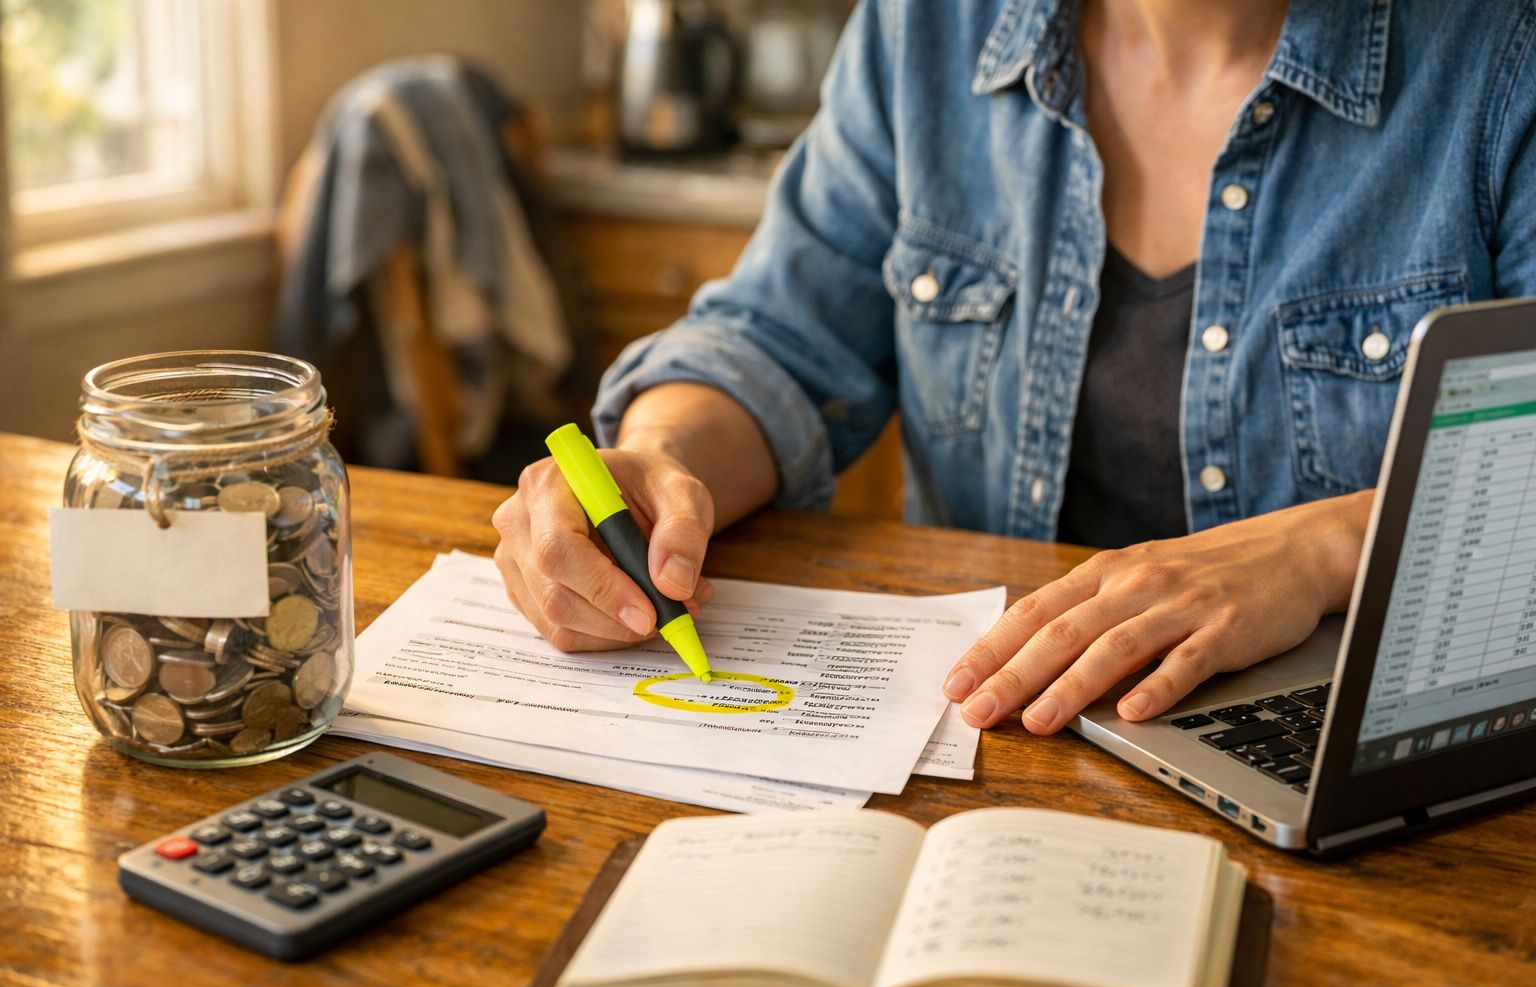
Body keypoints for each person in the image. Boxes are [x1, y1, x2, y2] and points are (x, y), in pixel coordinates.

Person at [494, 0, 1536, 736]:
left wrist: (1320, 552)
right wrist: (659, 458)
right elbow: (777, 338)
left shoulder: (1502, 54)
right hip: (991, 738)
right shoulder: (925, 30)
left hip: (1361, 751)